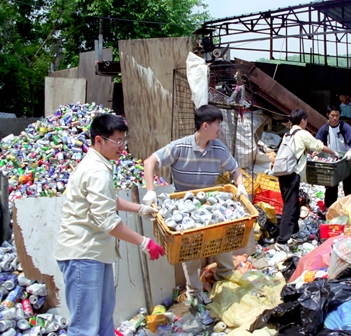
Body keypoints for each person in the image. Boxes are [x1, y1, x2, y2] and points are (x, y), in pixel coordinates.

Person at [54, 113, 164, 336]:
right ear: (98, 140)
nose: (121, 146)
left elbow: (107, 199)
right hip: (82, 254)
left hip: (96, 254)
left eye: (124, 140)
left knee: (104, 318)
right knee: (85, 326)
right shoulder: (96, 171)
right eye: (116, 141)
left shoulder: (99, 165)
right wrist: (143, 242)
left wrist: (140, 209)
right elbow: (107, 221)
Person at [142, 104, 247, 306]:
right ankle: (195, 293)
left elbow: (236, 170)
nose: (220, 129)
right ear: (205, 125)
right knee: (190, 254)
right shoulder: (179, 147)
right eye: (218, 124)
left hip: (209, 203)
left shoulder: (218, 148)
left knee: (222, 243)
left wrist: (240, 186)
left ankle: (226, 282)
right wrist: (150, 190)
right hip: (184, 208)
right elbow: (149, 162)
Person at [275, 108, 337, 253]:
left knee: (292, 202)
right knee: (290, 206)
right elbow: (317, 146)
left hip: (282, 172)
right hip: (292, 173)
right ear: (303, 120)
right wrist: (333, 152)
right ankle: (282, 240)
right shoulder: (302, 133)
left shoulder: (288, 133)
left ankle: (294, 230)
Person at [315, 104, 351, 209]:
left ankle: (350, 208)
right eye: (332, 115)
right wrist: (315, 152)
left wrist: (350, 151)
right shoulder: (324, 129)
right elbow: (317, 142)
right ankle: (330, 210)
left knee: (349, 187)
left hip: (345, 160)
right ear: (328, 115)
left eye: (337, 115)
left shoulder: (344, 127)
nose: (335, 118)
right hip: (331, 162)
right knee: (331, 187)